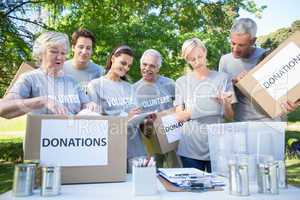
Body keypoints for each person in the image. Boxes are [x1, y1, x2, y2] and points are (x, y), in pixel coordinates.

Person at [219, 18, 299, 121]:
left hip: (270, 121)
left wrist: (293, 103)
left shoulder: (269, 56)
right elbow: (223, 94)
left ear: (253, 41)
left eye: (241, 45)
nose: (235, 49)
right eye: (233, 43)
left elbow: (285, 89)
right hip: (242, 121)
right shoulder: (225, 61)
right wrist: (234, 82)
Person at [2, 31, 97, 118]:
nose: (59, 57)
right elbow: (2, 108)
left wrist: (89, 106)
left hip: (72, 135)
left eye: (63, 53)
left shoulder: (72, 81)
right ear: (40, 53)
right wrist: (42, 101)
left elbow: (85, 104)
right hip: (41, 135)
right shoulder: (29, 78)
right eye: (54, 51)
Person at [175, 38, 236, 172]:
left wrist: (225, 103)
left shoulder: (223, 78)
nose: (197, 62)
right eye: (192, 59)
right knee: (194, 191)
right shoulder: (181, 82)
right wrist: (202, 107)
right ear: (186, 60)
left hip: (218, 146)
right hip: (190, 149)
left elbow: (230, 116)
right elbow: (179, 117)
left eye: (200, 57)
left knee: (219, 190)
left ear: (205, 52)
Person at [87, 45, 146, 172]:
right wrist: (125, 117)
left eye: (129, 66)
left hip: (135, 148)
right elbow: (95, 122)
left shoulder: (129, 87)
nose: (126, 68)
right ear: (113, 58)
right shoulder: (95, 85)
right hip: (111, 148)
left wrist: (145, 118)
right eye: (123, 63)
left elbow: (136, 115)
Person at [133, 49, 179, 168]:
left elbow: (180, 105)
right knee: (152, 172)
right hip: (149, 136)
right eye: (144, 64)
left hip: (171, 134)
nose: (147, 68)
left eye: (152, 66)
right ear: (140, 64)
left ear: (158, 68)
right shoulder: (133, 89)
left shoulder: (170, 84)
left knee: (176, 169)